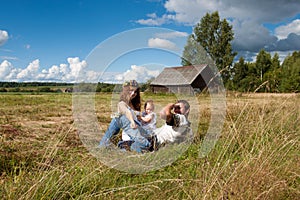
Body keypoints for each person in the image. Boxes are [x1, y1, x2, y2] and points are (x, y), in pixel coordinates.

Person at [99, 80, 151, 153]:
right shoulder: (121, 103)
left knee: (144, 144)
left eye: (135, 91)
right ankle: (104, 145)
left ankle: (124, 147)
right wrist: (132, 122)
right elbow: (127, 112)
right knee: (117, 118)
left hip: (136, 133)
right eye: (131, 90)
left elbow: (139, 118)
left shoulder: (134, 104)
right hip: (129, 132)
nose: (133, 93)